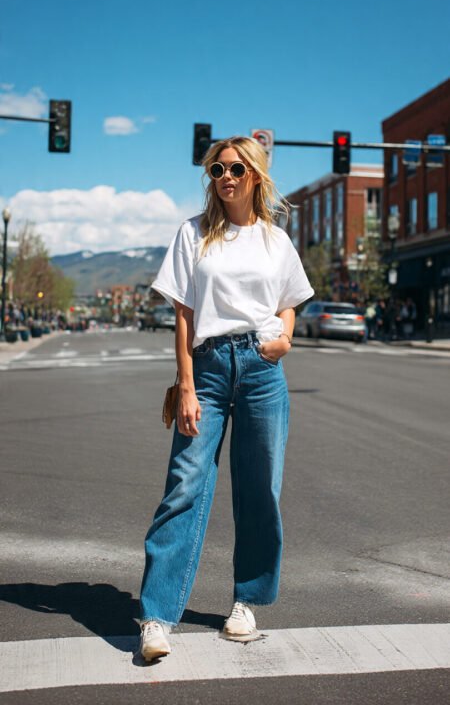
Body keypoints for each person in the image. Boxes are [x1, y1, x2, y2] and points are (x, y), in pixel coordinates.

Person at [139, 136, 314, 661]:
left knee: (261, 489)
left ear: (255, 176)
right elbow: (185, 315)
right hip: (209, 368)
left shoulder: (275, 240)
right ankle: (156, 615)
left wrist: (282, 339)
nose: (226, 177)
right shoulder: (193, 234)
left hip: (262, 370)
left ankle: (247, 602)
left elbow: (288, 303)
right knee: (185, 486)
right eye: (217, 169)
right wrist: (186, 384)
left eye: (236, 168)